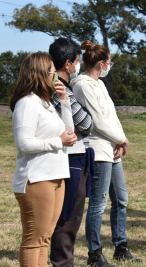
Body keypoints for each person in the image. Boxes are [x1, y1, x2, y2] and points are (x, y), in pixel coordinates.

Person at [71, 40, 142, 266]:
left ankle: (120, 246)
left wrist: (120, 141)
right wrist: (121, 139)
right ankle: (94, 253)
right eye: (109, 63)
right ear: (101, 64)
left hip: (112, 148)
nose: (110, 67)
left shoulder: (99, 84)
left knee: (121, 199)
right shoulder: (82, 85)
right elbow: (97, 121)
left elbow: (112, 116)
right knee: (99, 204)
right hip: (98, 150)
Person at [9, 52, 77, 266]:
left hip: (56, 176)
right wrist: (58, 142)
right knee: (34, 240)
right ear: (40, 73)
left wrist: (65, 101)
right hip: (37, 179)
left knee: (44, 239)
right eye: (51, 70)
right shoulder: (27, 103)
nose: (55, 74)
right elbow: (24, 144)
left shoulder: (45, 103)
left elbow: (69, 131)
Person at [48, 37, 95, 267]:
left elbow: (84, 123)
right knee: (67, 216)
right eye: (76, 62)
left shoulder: (63, 87)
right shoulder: (59, 88)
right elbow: (86, 124)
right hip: (70, 158)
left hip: (75, 155)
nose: (77, 66)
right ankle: (63, 262)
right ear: (68, 63)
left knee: (73, 215)